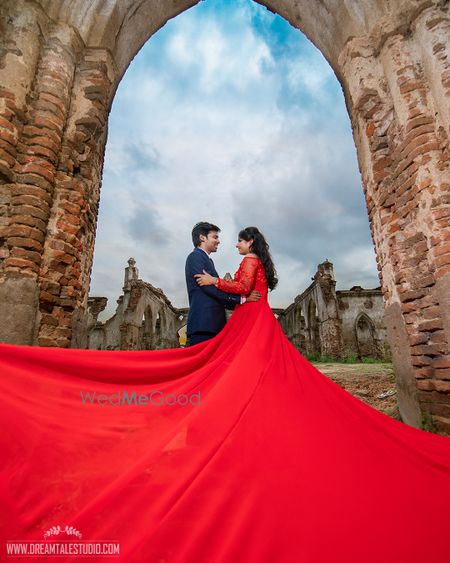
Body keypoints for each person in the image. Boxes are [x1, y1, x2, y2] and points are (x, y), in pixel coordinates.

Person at [1, 228, 450, 562]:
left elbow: (240, 288)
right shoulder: (213, 258)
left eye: (235, 240)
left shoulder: (248, 262)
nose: (229, 244)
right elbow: (244, 289)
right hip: (246, 318)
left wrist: (216, 284)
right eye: (221, 239)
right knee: (247, 375)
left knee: (245, 375)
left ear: (250, 243)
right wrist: (220, 286)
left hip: (248, 318)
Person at [185, 222, 261, 346]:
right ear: (202, 238)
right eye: (215, 237)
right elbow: (209, 288)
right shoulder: (195, 257)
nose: (218, 241)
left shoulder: (207, 260)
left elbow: (216, 290)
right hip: (204, 324)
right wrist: (241, 299)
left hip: (212, 325)